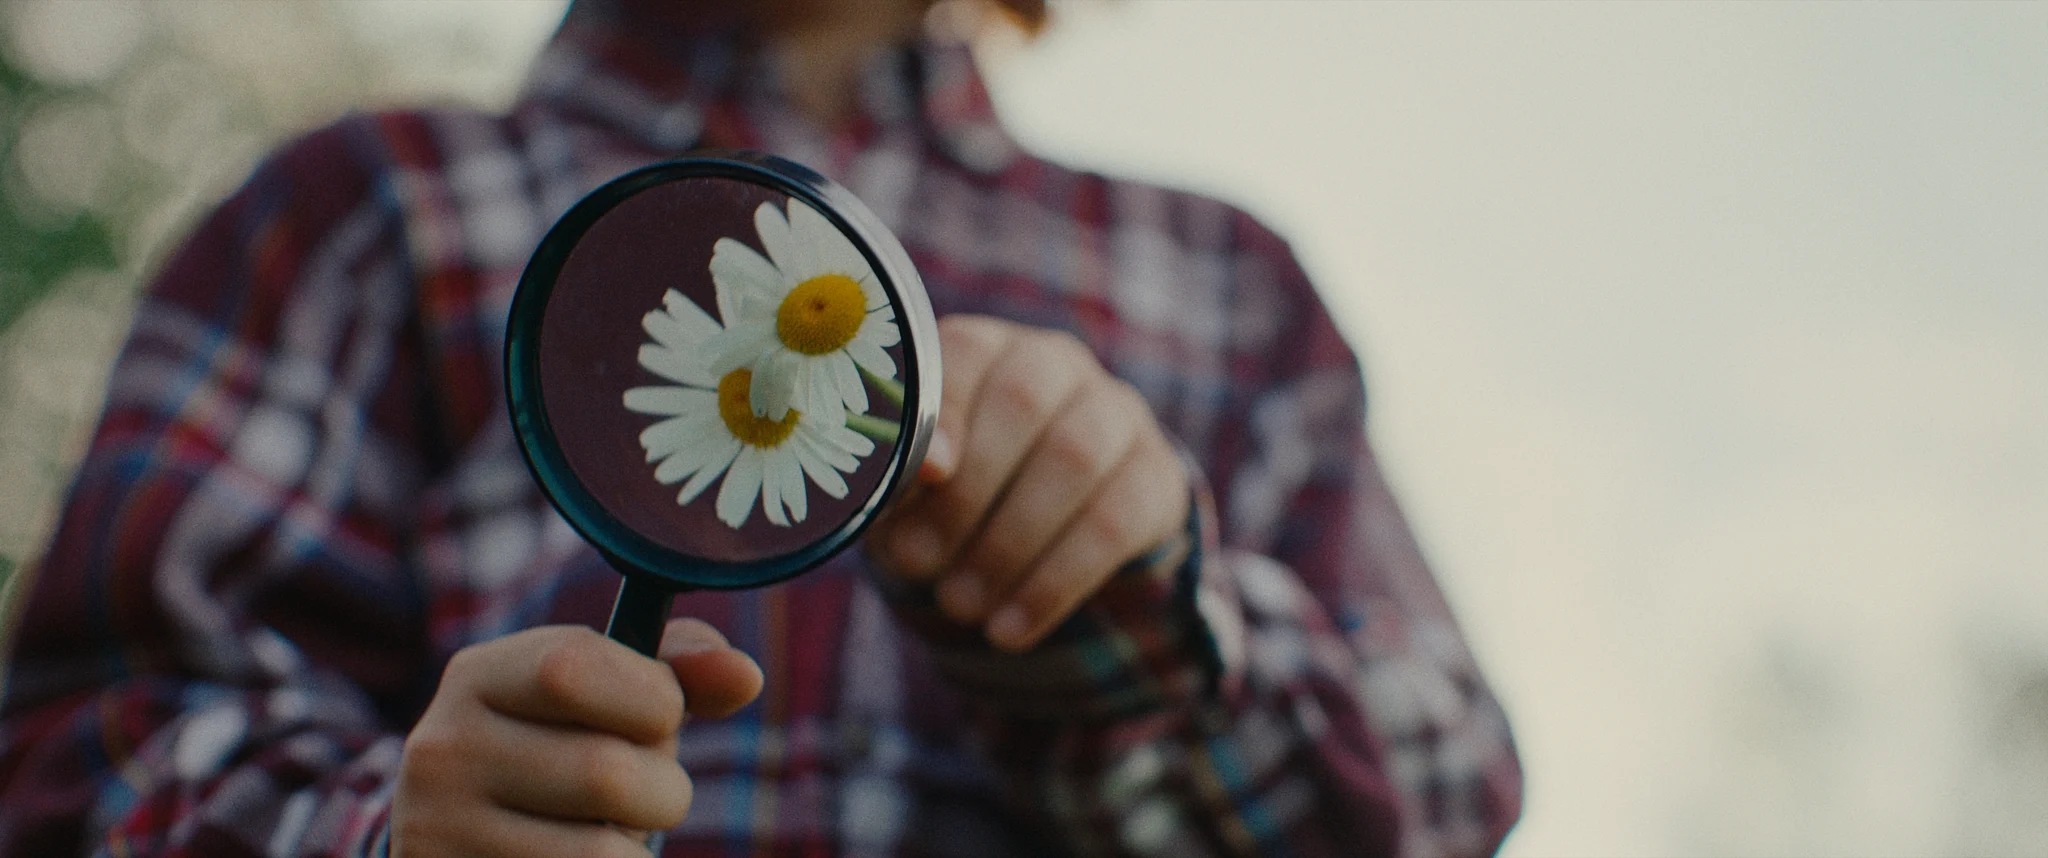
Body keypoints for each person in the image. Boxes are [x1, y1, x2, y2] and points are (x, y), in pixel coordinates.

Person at [0, 0, 1523, 855]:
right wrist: (379, 835)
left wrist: (1128, 620)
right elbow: (72, 765)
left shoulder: (1228, 291)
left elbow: (1447, 797)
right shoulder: (357, 215)